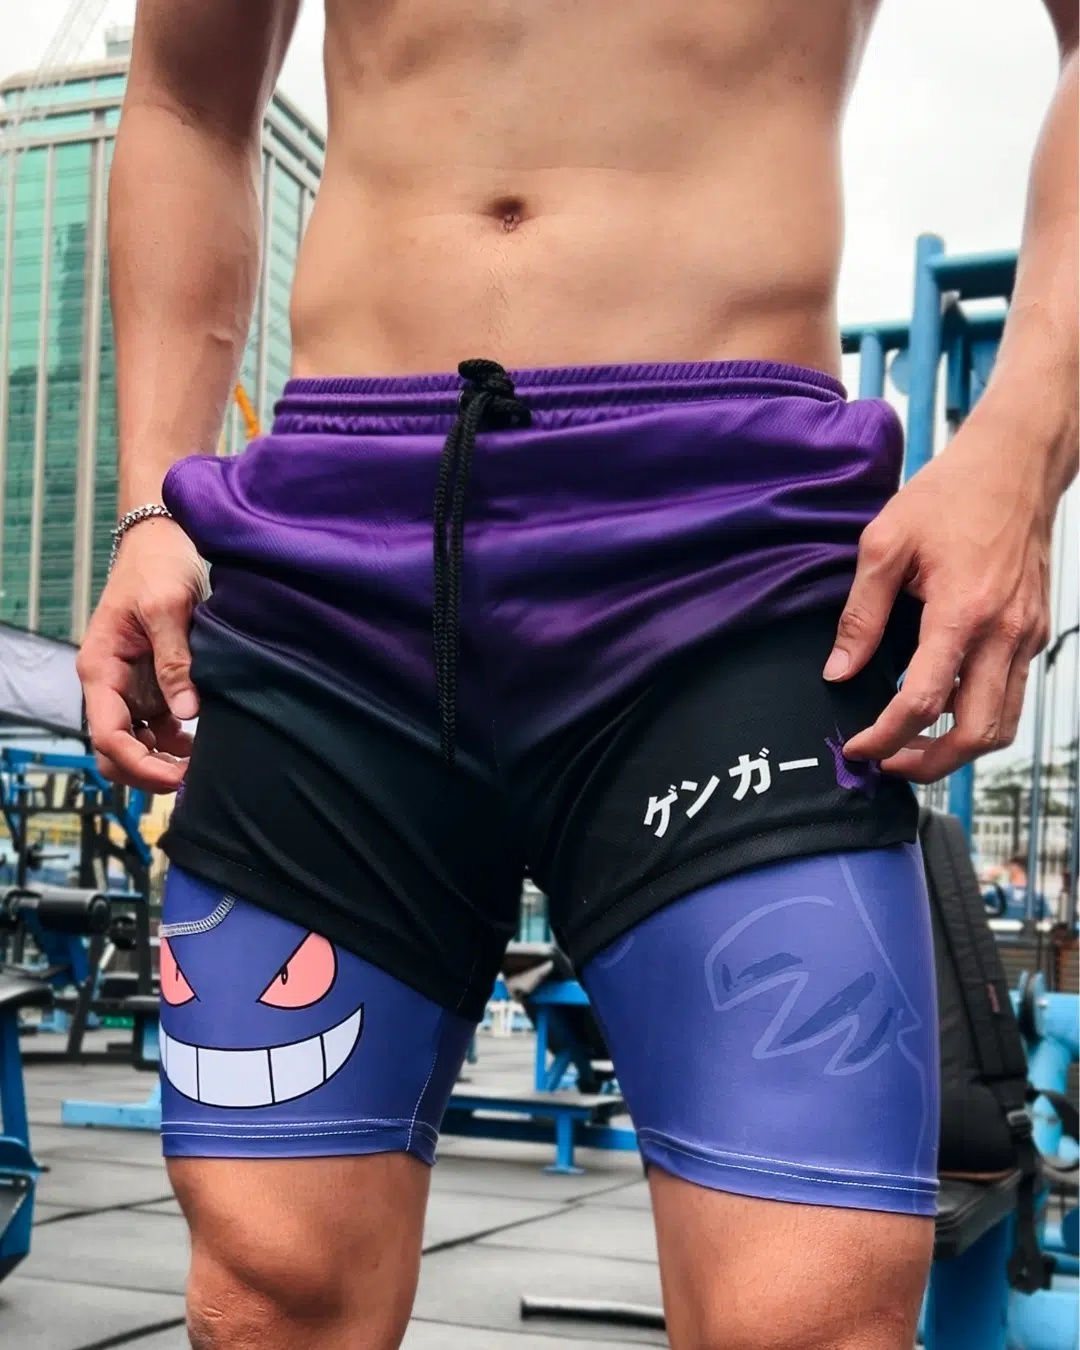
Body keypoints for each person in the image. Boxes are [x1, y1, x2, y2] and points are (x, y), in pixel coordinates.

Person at [76, 2, 1078, 1347]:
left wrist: (1020, 450)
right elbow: (187, 101)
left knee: (806, 1315)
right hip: (331, 568)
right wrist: (150, 503)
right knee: (268, 1296)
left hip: (730, 560)